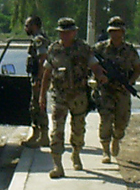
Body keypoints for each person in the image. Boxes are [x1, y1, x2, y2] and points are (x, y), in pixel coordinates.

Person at [39, 17, 106, 179]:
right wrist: (42, 96)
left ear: (75, 32)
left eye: (69, 32)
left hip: (79, 96)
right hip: (59, 96)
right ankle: (57, 164)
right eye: (62, 33)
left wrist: (100, 76)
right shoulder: (54, 49)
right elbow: (47, 73)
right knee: (57, 130)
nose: (65, 35)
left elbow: (94, 65)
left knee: (78, 129)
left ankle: (76, 153)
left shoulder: (83, 48)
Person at [93, 16, 140, 163]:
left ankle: (116, 139)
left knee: (122, 122)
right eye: (113, 31)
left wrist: (129, 82)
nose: (115, 34)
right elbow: (92, 64)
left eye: (118, 31)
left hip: (122, 91)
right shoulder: (100, 48)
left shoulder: (129, 50)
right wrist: (100, 75)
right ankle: (105, 150)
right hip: (105, 90)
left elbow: (137, 68)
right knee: (106, 120)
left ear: (123, 32)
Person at [22, 15, 51, 148]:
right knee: (35, 105)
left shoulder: (39, 39)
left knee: (38, 105)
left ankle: (43, 136)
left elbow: (43, 58)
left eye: (27, 25)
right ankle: (37, 134)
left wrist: (39, 79)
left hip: (39, 78)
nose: (25, 28)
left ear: (34, 26)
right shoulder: (38, 38)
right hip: (37, 77)